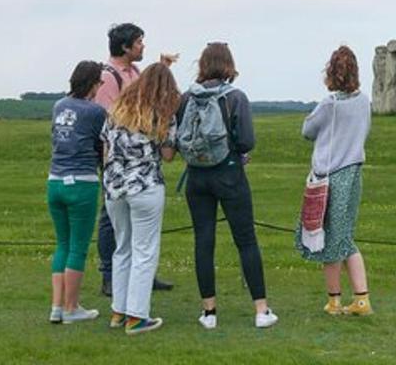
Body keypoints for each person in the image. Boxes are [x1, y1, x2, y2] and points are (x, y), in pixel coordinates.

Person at [177, 42, 278, 329]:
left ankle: (209, 312)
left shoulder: (186, 98)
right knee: (245, 240)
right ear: (228, 66)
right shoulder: (235, 98)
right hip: (229, 173)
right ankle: (261, 310)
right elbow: (246, 140)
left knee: (203, 241)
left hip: (196, 176)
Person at [93, 22, 175, 296]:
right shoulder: (108, 78)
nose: (143, 46)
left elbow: (147, 96)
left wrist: (161, 70)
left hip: (135, 161)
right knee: (110, 218)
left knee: (130, 228)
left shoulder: (136, 72)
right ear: (125, 47)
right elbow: (108, 119)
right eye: (139, 42)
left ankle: (141, 275)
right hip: (118, 160)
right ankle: (109, 275)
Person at [100, 62, 180, 335]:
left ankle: (118, 311)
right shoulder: (162, 114)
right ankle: (137, 316)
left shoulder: (116, 111)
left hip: (114, 186)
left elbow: (105, 148)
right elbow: (168, 156)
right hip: (145, 185)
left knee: (122, 248)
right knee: (145, 250)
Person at [295, 45, 373, 315]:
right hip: (354, 172)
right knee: (346, 236)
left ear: (331, 72)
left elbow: (308, 130)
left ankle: (334, 300)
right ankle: (361, 298)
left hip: (331, 177)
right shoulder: (364, 101)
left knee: (329, 241)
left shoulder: (330, 104)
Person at [47, 60, 108, 324]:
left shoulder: (59, 105)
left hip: (55, 181)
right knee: (78, 248)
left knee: (62, 243)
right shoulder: (95, 111)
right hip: (82, 182)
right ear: (93, 83)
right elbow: (102, 147)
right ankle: (72, 309)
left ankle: (57, 307)